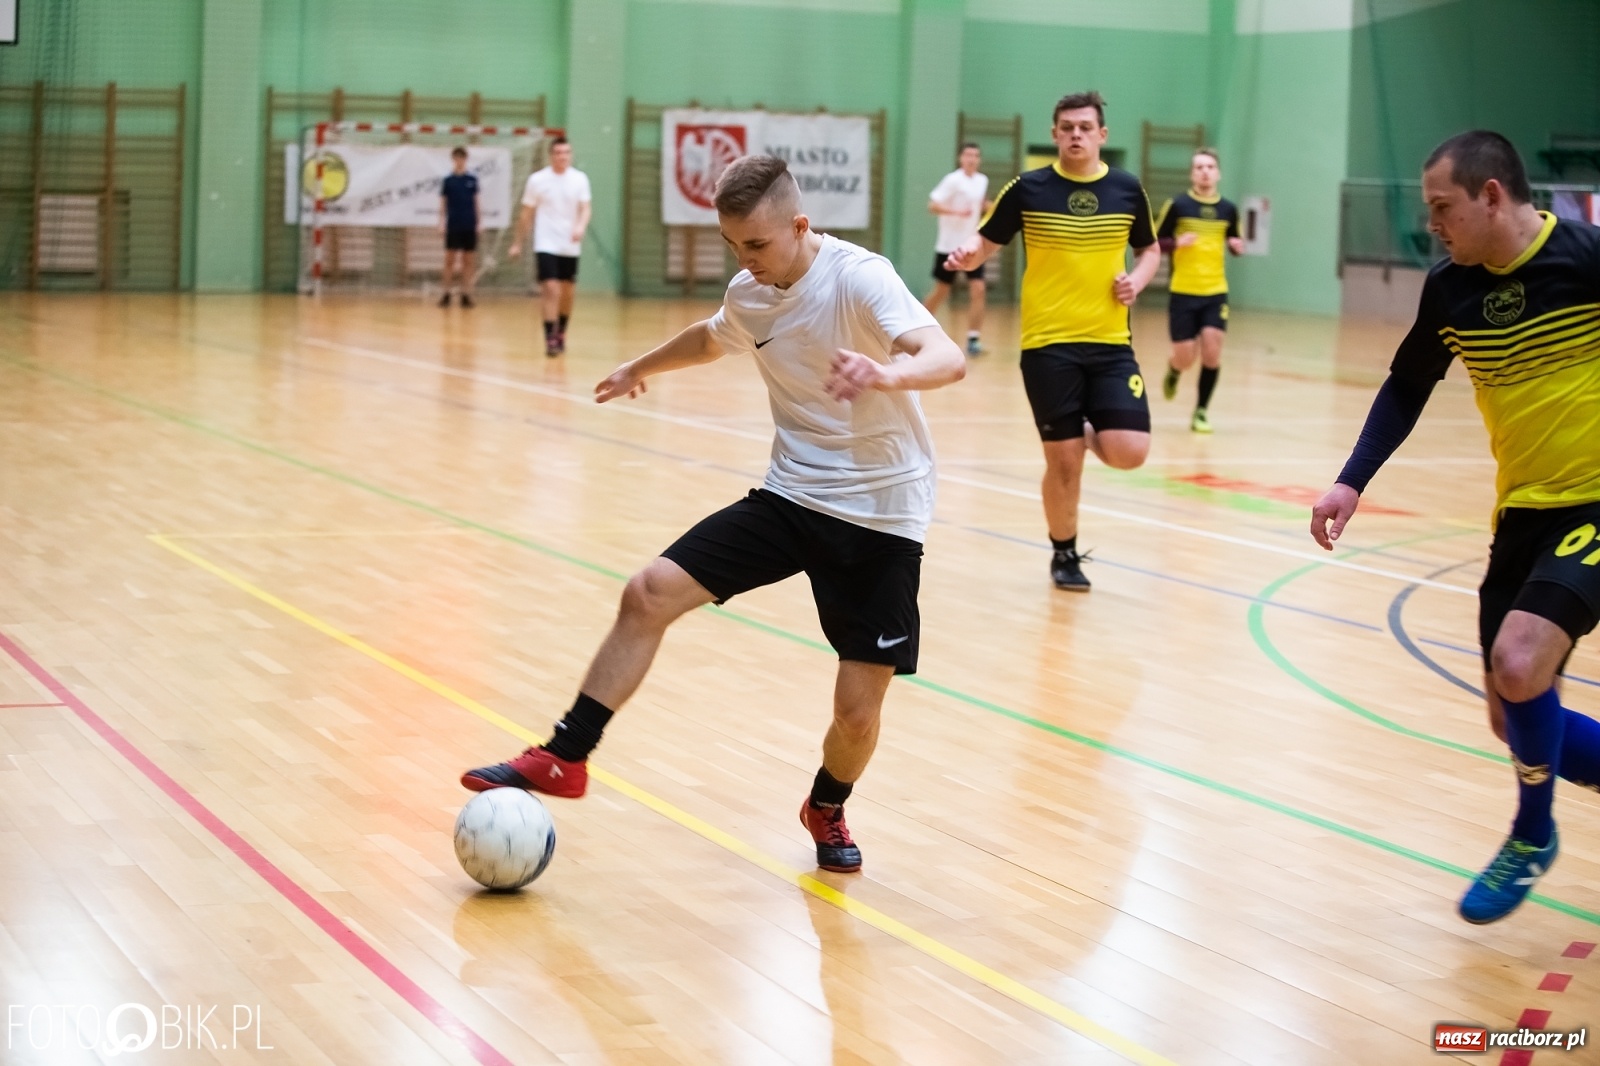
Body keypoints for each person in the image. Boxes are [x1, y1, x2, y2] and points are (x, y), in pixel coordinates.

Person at [462, 155, 966, 873]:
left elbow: (945, 356)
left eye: (756, 245)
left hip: (881, 513)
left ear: (799, 225)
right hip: (793, 493)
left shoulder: (860, 276)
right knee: (648, 593)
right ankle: (564, 756)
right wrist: (641, 366)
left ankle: (826, 803)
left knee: (856, 712)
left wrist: (888, 372)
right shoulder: (751, 290)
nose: (745, 261)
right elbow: (713, 334)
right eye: (734, 246)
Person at [1311, 130, 1600, 925]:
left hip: (1597, 502)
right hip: (1522, 514)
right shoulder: (1449, 290)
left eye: (1443, 207)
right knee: (1513, 718)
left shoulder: (1585, 256)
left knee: (1518, 657)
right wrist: (1350, 479)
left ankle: (1529, 835)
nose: (1432, 222)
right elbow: (1407, 386)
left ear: (1493, 196)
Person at [946, 91, 1160, 592]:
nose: (1076, 135)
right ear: (1055, 133)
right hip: (1047, 346)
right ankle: (1064, 554)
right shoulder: (1028, 189)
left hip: (1110, 343)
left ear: (1102, 135)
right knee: (1063, 462)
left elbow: (1149, 250)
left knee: (1130, 451)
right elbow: (986, 240)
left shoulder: (1128, 190)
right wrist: (967, 255)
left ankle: (1083, 431)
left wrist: (1139, 281)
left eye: (1085, 127)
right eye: (1067, 127)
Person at [1156, 149, 1243, 433]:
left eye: (1210, 167)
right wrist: (1176, 243)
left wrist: (1236, 246)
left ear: (1218, 173)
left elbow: (1234, 239)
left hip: (1215, 291)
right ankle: (1174, 370)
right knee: (1185, 356)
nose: (1205, 172)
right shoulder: (1178, 205)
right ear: (1192, 173)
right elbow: (1155, 242)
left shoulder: (1229, 209)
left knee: (1212, 351)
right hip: (1183, 291)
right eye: (1199, 167)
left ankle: (1201, 411)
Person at [510, 137, 592, 355]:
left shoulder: (579, 179)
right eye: (558, 152)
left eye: (566, 152)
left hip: (570, 245)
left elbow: (585, 208)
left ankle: (561, 331)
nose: (562, 156)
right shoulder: (537, 180)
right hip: (545, 243)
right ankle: (550, 338)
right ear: (551, 155)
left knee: (567, 292)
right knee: (550, 289)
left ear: (570, 155)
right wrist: (517, 242)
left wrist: (580, 227)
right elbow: (526, 214)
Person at [923, 143, 991, 356]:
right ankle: (914, 327)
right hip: (949, 245)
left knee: (978, 289)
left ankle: (973, 339)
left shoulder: (982, 180)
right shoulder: (953, 180)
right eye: (968, 155)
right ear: (960, 158)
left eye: (976, 155)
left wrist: (990, 207)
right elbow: (932, 205)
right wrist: (956, 211)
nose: (972, 158)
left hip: (972, 245)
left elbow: (978, 204)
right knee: (942, 290)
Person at [437, 147, 480, 308]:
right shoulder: (448, 180)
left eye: (462, 158)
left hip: (469, 224)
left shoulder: (472, 180)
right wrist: (441, 223)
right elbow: (443, 203)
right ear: (453, 159)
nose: (460, 161)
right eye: (457, 158)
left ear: (466, 160)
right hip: (453, 225)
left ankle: (466, 294)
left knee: (467, 262)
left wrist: (479, 222)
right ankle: (446, 294)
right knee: (449, 261)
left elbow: (476, 202)